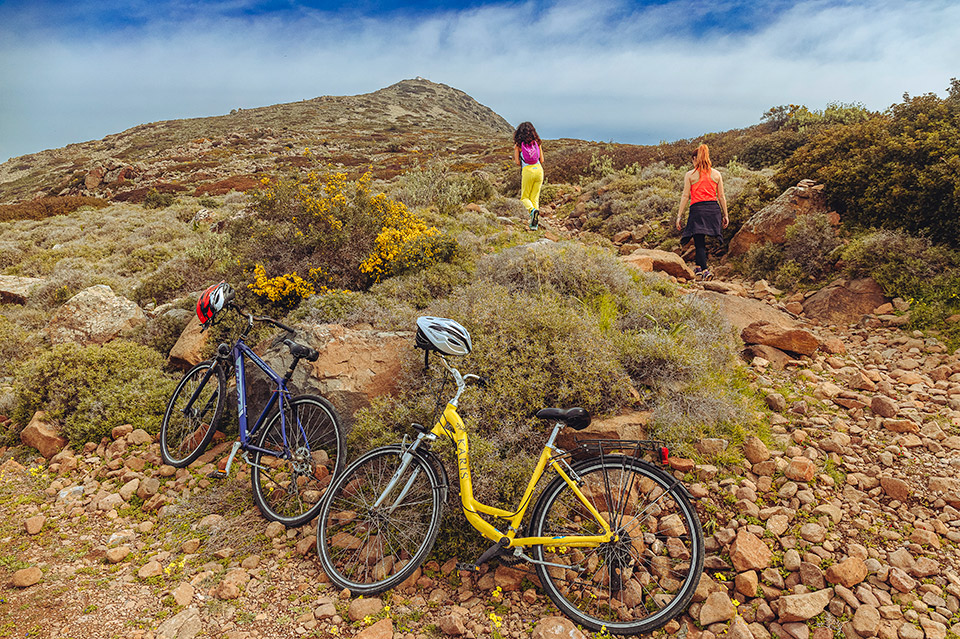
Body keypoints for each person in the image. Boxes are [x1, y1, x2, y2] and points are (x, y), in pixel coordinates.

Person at [675, 143, 728, 281]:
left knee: (699, 241)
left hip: (698, 210)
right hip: (713, 210)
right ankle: (699, 267)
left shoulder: (690, 175)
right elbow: (721, 196)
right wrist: (725, 214)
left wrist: (679, 216)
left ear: (695, 159)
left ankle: (705, 270)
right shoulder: (717, 174)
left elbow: (685, 196)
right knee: (702, 240)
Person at [513, 122, 544, 230]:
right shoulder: (537, 142)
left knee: (524, 198)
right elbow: (542, 160)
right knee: (535, 198)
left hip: (528, 171)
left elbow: (517, 162)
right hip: (539, 171)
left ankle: (532, 211)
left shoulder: (518, 145)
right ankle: (534, 225)